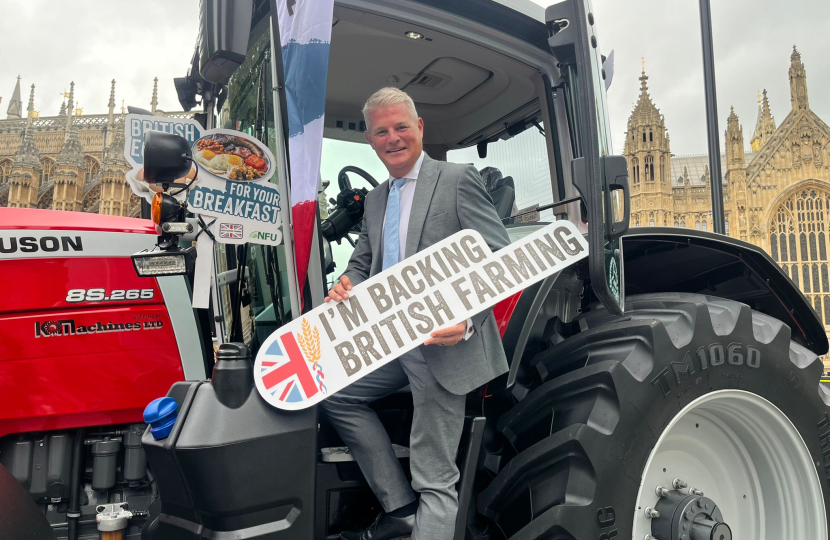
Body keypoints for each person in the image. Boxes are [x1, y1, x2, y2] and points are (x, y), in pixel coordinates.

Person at [322, 87, 510, 540]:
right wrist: (347, 282)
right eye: (382, 131)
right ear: (370, 139)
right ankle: (399, 508)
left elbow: (500, 257)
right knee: (336, 395)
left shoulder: (457, 179)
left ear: (419, 128)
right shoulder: (376, 199)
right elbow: (365, 261)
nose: (393, 138)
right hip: (390, 340)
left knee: (435, 475)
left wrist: (467, 321)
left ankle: (424, 512)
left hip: (443, 345)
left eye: (401, 127)